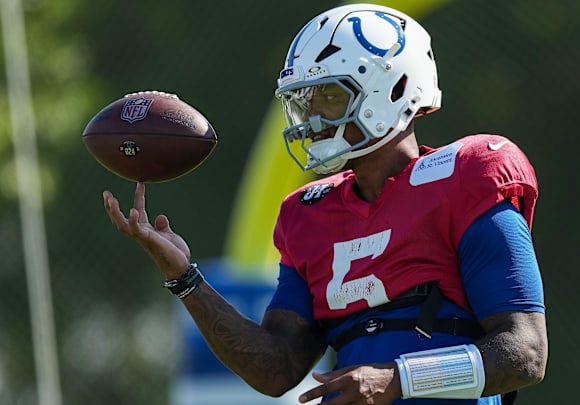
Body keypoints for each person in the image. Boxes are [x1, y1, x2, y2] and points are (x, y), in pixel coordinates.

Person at [103, 3, 547, 404]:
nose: (311, 119)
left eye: (330, 97)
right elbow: (278, 368)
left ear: (393, 90)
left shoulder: (468, 177)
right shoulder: (308, 215)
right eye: (305, 100)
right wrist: (184, 277)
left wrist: (397, 379)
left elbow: (526, 353)